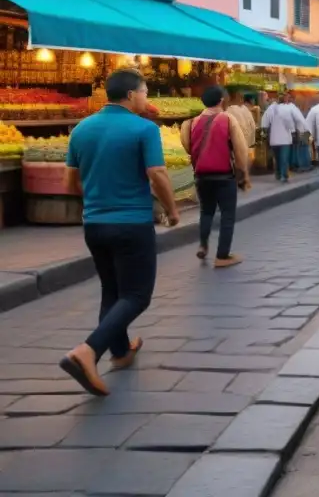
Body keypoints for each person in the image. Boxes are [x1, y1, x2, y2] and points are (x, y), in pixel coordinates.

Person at [60, 69, 179, 396]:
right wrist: (171, 210)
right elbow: (156, 173)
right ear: (130, 95)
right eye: (144, 92)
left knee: (112, 292)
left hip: (94, 224)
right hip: (132, 223)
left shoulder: (81, 130)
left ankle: (121, 351)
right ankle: (87, 351)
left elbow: (70, 184)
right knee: (137, 295)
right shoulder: (144, 129)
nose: (147, 98)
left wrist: (101, 199)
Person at [180, 85, 250, 267]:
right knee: (227, 215)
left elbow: (188, 146)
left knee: (206, 211)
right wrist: (243, 174)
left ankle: (203, 245)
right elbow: (241, 151)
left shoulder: (190, 123)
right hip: (224, 176)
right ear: (221, 100)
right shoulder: (228, 119)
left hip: (202, 176)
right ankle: (222, 255)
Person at [262, 93, 306, 181]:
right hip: (285, 138)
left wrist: (265, 129)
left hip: (274, 138)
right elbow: (295, 120)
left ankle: (278, 174)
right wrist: (297, 130)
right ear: (285, 99)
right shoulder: (289, 108)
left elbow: (265, 120)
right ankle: (284, 175)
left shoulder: (272, 108)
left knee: (278, 158)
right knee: (284, 158)